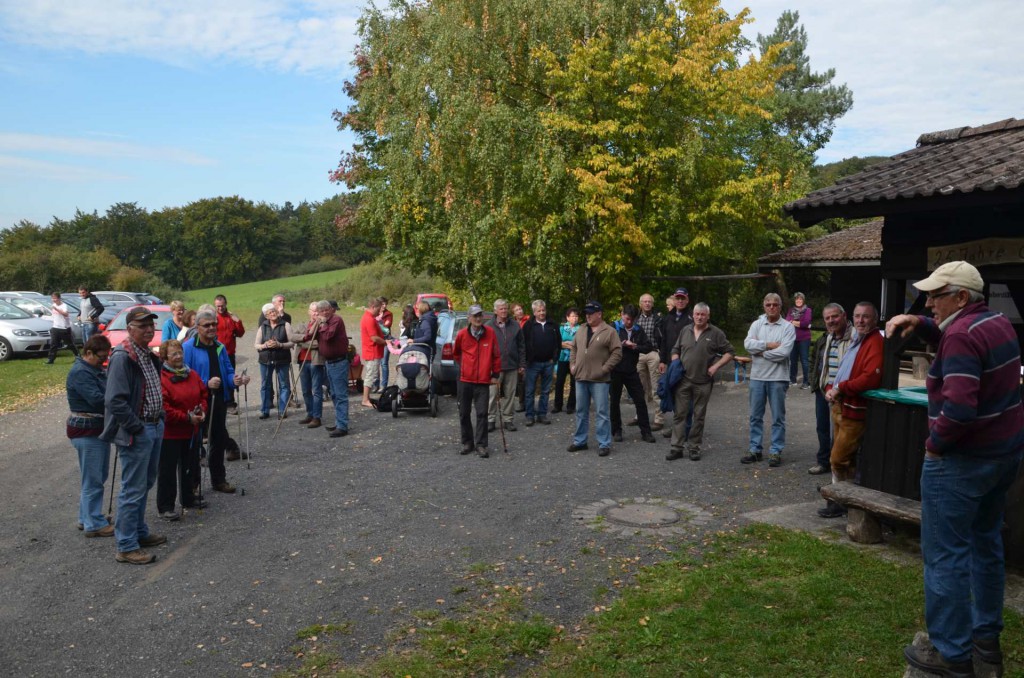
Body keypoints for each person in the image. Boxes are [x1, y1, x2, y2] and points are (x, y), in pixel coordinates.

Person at [887, 262, 1024, 677]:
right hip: (1000, 460)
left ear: (961, 298)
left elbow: (960, 409)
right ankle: (985, 643)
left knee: (944, 557)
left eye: (935, 295)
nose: (928, 302)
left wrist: (933, 447)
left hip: (961, 464)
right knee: (986, 548)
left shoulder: (961, 335)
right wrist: (923, 323)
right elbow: (958, 335)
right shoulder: (995, 322)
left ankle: (951, 654)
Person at [100, 307, 166, 565]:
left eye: (151, 325)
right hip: (139, 430)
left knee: (145, 483)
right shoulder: (123, 357)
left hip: (153, 425)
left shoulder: (146, 354)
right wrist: (137, 427)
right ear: (130, 329)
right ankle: (126, 545)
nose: (149, 329)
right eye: (142, 326)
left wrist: (160, 419)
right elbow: (114, 401)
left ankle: (138, 532)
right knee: (133, 488)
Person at [816, 302, 883, 518]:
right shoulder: (858, 340)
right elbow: (829, 368)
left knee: (837, 457)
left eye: (866, 316)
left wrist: (840, 388)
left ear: (875, 318)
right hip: (839, 402)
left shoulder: (873, 341)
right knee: (848, 458)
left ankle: (838, 500)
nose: (861, 320)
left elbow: (870, 378)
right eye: (858, 316)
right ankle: (847, 500)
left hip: (854, 409)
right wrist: (828, 387)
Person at [183, 310, 251, 489]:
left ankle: (219, 480)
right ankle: (193, 486)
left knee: (218, 439)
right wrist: (206, 383)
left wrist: (235, 380)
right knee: (195, 442)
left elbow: (228, 371)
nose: (212, 328)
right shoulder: (189, 347)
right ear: (197, 327)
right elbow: (184, 375)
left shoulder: (219, 346)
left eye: (214, 324)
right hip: (197, 401)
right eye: (207, 325)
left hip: (219, 398)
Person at [667, 302, 734, 461]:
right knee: (679, 415)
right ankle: (676, 447)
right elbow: (675, 349)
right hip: (683, 380)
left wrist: (716, 366)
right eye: (697, 314)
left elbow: (730, 352)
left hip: (703, 382)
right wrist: (676, 362)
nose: (699, 317)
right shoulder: (686, 330)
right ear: (693, 315)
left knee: (698, 416)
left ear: (708, 316)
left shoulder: (716, 333)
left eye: (703, 314)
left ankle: (694, 447)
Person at [66, 335, 113, 538]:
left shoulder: (94, 369)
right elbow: (96, 399)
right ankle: (93, 523)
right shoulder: (80, 373)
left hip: (96, 429)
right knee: (93, 478)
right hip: (86, 430)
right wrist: (118, 398)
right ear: (88, 353)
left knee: (96, 476)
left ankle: (86, 517)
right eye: (100, 357)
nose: (103, 362)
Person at [742, 293, 795, 467]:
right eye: (768, 304)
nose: (771, 307)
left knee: (778, 417)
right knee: (755, 416)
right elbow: (747, 345)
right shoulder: (757, 324)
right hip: (757, 377)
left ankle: (775, 451)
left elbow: (784, 353)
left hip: (778, 378)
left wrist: (760, 351)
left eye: (775, 304)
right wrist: (769, 345)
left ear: (780, 306)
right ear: (764, 306)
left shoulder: (788, 327)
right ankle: (755, 449)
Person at [157, 339, 208, 521]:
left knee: (189, 466)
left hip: (191, 430)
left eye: (180, 353)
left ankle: (188, 498)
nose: (178, 357)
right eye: (174, 354)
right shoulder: (162, 377)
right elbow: (164, 407)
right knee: (168, 470)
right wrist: (186, 417)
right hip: (170, 433)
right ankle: (166, 506)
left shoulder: (191, 374)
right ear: (165, 357)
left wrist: (202, 410)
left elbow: (203, 394)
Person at [568, 301, 622, 457]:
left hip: (600, 379)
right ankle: (580, 441)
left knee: (602, 412)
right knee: (580, 411)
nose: (588, 315)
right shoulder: (581, 329)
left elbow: (617, 352)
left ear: (599, 314)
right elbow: (574, 348)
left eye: (591, 312)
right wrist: (573, 365)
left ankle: (604, 443)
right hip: (581, 376)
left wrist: (604, 369)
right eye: (587, 312)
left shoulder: (609, 331)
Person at [807, 303, 852, 475]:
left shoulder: (854, 338)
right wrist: (815, 382)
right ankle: (823, 461)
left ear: (844, 315)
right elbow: (814, 361)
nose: (831, 321)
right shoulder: (824, 339)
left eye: (835, 316)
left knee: (840, 431)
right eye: (827, 318)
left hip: (842, 393)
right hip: (823, 391)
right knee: (822, 427)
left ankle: (838, 466)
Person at [453, 304, 501, 458]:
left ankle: (481, 445)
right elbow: (456, 354)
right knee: (464, 413)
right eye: (475, 316)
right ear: (469, 318)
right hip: (465, 380)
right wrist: (465, 368)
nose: (478, 318)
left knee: (482, 413)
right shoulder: (462, 334)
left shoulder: (490, 333)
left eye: (480, 315)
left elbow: (496, 355)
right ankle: (467, 443)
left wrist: (495, 374)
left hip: (483, 381)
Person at [610, 304, 656, 444]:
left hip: (631, 371)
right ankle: (617, 430)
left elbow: (648, 347)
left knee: (640, 401)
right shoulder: (613, 327)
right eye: (626, 318)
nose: (628, 322)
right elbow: (604, 345)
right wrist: (619, 344)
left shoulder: (637, 330)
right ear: (622, 314)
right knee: (614, 402)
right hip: (615, 371)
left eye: (631, 320)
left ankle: (646, 432)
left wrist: (634, 346)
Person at [306, 299, 350, 438]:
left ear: (331, 309)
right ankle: (339, 423)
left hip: (339, 362)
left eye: (326, 309)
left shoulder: (336, 320)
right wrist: (315, 324)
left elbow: (328, 336)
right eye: (321, 311)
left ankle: (342, 426)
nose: (324, 312)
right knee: (335, 394)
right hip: (328, 363)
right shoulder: (320, 322)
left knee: (341, 395)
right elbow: (308, 336)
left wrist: (323, 323)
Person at [658, 288, 694, 437]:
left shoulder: (692, 318)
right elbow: (664, 341)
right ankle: (677, 427)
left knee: (686, 398)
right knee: (673, 395)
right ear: (674, 300)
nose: (679, 301)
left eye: (682, 298)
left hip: (686, 364)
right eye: (677, 298)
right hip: (670, 363)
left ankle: (686, 429)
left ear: (687, 300)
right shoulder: (668, 318)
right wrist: (662, 360)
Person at [488, 299, 524, 432]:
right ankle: (490, 420)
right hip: (495, 367)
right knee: (492, 395)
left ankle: (508, 419)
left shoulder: (515, 325)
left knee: (510, 395)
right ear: (495, 311)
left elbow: (521, 346)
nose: (504, 311)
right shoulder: (488, 326)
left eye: (505, 308)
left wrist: (522, 364)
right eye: (501, 309)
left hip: (512, 365)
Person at [521, 299, 560, 426]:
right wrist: (525, 360)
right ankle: (529, 415)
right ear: (534, 312)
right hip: (533, 363)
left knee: (545, 391)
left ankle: (542, 414)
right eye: (539, 311)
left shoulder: (552, 324)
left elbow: (558, 342)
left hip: (548, 363)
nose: (542, 313)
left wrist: (554, 358)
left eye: (543, 310)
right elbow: (523, 344)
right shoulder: (528, 325)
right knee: (530, 390)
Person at [255, 303, 293, 420]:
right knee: (265, 385)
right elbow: (256, 345)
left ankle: (282, 410)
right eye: (270, 313)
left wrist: (279, 344)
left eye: (274, 312)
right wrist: (265, 345)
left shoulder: (285, 325)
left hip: (282, 359)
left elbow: (292, 342)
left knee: (284, 385)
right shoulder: (263, 327)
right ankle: (265, 410)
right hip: (265, 359)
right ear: (266, 316)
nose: (273, 314)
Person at [291, 302, 326, 429]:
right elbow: (292, 337)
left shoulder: (322, 326)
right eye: (313, 311)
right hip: (302, 361)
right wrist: (305, 338)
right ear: (309, 312)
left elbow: (320, 343)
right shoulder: (302, 325)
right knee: (305, 390)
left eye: (318, 311)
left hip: (315, 362)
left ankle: (317, 417)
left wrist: (302, 342)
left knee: (316, 390)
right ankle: (310, 414)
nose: (315, 313)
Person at [634, 294, 663, 429]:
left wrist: (662, 355)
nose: (647, 304)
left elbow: (664, 338)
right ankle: (639, 416)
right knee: (640, 388)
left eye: (649, 301)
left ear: (652, 304)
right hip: (638, 354)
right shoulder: (635, 318)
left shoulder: (658, 319)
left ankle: (659, 419)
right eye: (644, 301)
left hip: (653, 353)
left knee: (656, 387)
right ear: (640, 304)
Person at [214, 295, 245, 414]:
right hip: (216, 354)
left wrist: (238, 322)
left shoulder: (231, 317)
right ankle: (219, 403)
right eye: (218, 306)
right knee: (217, 378)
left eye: (222, 306)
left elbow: (240, 333)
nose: (220, 308)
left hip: (229, 353)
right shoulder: (213, 318)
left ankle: (230, 404)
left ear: (226, 304)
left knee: (231, 378)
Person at [360, 297, 387, 408]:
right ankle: (365, 399)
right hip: (372, 351)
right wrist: (386, 342)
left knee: (372, 374)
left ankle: (367, 397)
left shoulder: (369, 317)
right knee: (370, 375)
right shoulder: (369, 319)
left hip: (372, 350)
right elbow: (374, 338)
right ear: (373, 307)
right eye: (379, 309)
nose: (380, 311)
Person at [553, 307, 579, 414]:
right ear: (567, 318)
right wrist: (570, 345)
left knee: (574, 383)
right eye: (573, 316)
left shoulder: (581, 329)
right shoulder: (561, 328)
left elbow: (580, 345)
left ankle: (571, 406)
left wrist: (567, 344)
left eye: (577, 316)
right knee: (559, 382)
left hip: (575, 359)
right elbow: (557, 342)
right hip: (562, 358)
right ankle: (557, 406)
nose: (575, 318)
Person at [787, 292, 813, 388]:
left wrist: (793, 322)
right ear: (795, 300)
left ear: (803, 300)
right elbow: (787, 321)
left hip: (804, 339)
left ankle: (806, 382)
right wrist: (798, 323)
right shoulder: (791, 310)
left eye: (800, 299)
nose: (798, 301)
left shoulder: (808, 310)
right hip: (793, 338)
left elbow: (806, 323)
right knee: (793, 360)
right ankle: (792, 380)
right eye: (797, 299)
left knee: (804, 360)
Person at [47, 291, 79, 364]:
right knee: (53, 344)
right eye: (52, 298)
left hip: (64, 328)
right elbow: (54, 316)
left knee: (70, 344)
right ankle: (51, 359)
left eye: (55, 298)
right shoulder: (53, 305)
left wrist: (57, 309)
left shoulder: (64, 305)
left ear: (59, 298)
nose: (54, 300)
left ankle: (78, 356)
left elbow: (66, 314)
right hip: (55, 327)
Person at [376, 297, 394, 390]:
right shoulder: (374, 313)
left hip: (386, 340)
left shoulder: (389, 314)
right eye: (382, 304)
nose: (384, 306)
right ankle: (376, 385)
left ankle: (384, 386)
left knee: (384, 363)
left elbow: (387, 327)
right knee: (376, 363)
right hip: (376, 340)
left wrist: (378, 324)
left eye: (385, 304)